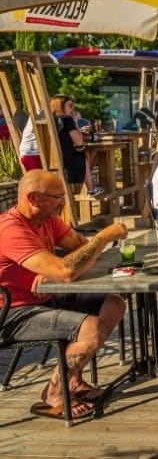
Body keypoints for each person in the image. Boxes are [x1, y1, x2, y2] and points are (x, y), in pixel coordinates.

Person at [0, 170, 128, 420]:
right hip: (12, 311)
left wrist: (57, 266)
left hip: (45, 296)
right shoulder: (11, 230)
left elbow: (82, 249)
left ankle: (73, 381)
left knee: (113, 304)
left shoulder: (48, 219)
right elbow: (67, 271)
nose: (63, 202)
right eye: (57, 197)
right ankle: (54, 393)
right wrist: (103, 236)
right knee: (90, 328)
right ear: (34, 198)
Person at [51, 95, 102, 197]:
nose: (73, 108)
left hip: (51, 159)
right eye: (70, 105)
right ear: (61, 107)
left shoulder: (53, 120)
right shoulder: (67, 119)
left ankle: (88, 188)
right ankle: (91, 188)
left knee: (80, 153)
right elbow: (79, 142)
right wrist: (75, 121)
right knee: (82, 154)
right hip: (65, 161)